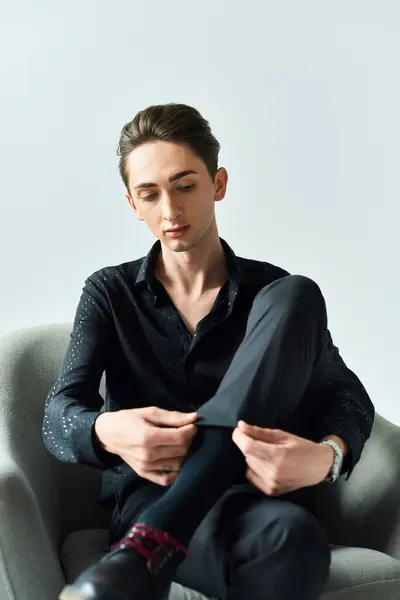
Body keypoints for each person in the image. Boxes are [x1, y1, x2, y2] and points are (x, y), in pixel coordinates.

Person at [42, 102, 375, 600]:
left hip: (250, 501)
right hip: (149, 498)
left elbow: (348, 398)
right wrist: (106, 429)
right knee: (291, 547)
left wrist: (327, 458)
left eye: (185, 185)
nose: (170, 211)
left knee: (296, 538)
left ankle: (141, 555)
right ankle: (154, 535)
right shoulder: (109, 292)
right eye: (149, 194)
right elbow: (57, 414)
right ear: (132, 203)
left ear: (218, 184)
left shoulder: (273, 293)